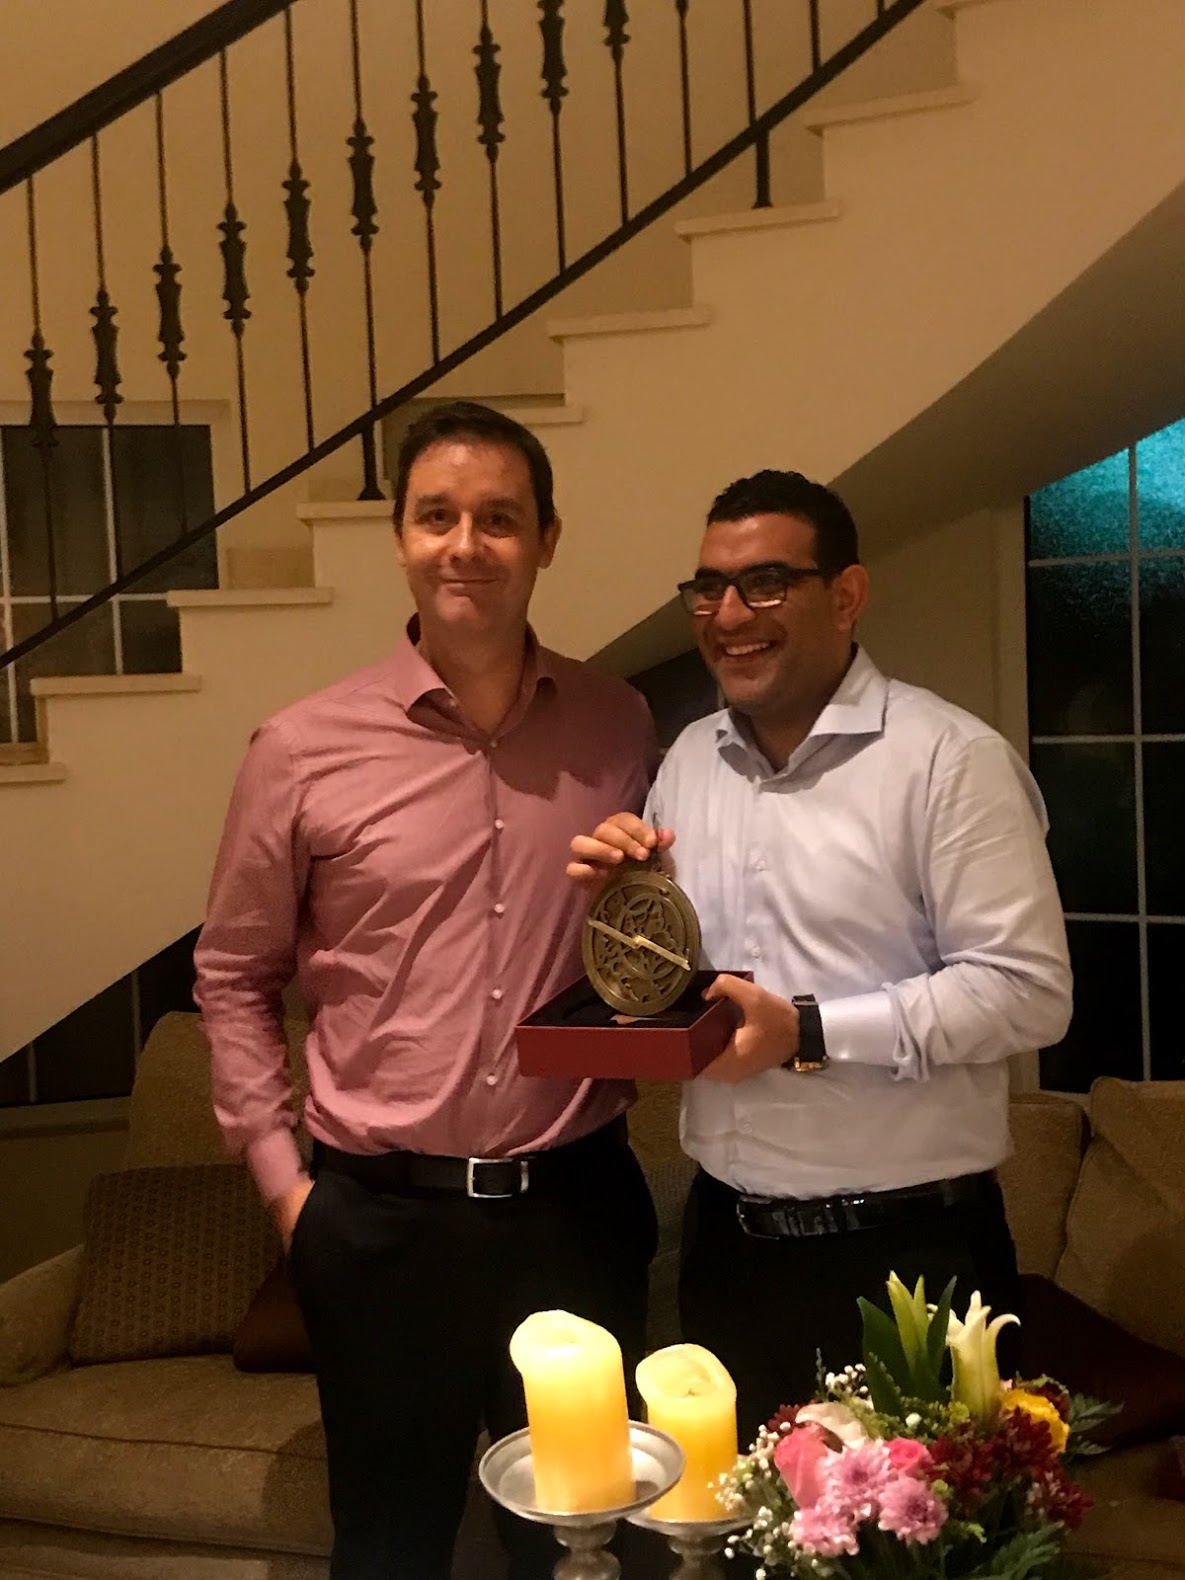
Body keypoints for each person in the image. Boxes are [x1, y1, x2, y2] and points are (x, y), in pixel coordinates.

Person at [194, 401, 659, 1580]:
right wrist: (289, 1193)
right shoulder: (300, 748)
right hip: (379, 1224)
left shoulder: (619, 724)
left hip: (575, 1209)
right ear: (400, 538)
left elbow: (643, 943)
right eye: (437, 515)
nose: (467, 544)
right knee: (391, 1545)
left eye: (499, 517)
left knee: (585, 1544)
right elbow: (233, 974)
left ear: (547, 538)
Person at [568, 468, 1072, 1438]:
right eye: (708, 588)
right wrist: (627, 915)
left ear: (846, 595)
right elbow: (693, 986)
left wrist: (807, 1029)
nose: (728, 615)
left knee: (915, 1526)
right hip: (725, 1247)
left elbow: (1028, 992)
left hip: (908, 1256)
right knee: (730, 1522)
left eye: (765, 584)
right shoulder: (687, 762)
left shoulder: (947, 760)